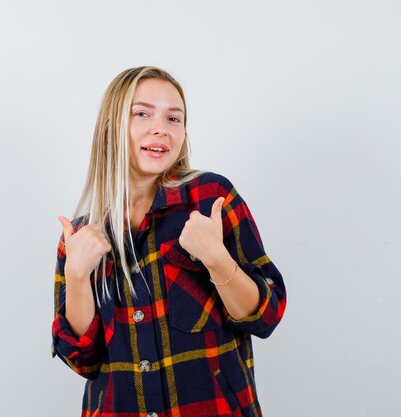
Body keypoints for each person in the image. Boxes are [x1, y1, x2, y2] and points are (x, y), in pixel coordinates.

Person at [51, 66, 287, 417]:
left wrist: (216, 258)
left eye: (174, 118)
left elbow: (266, 315)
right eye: (142, 113)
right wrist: (77, 276)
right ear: (110, 127)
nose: (161, 128)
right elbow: (82, 360)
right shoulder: (83, 233)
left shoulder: (211, 198)